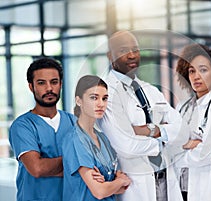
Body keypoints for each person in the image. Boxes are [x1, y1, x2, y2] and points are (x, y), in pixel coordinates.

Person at [96, 30, 187, 201]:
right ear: (110, 56)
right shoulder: (107, 94)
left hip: (165, 177)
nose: (131, 55)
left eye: (135, 50)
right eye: (123, 51)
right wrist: (164, 141)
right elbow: (125, 144)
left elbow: (183, 130)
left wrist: (150, 130)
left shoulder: (150, 90)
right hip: (136, 184)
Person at [9, 57, 76, 201]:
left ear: (61, 84)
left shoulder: (74, 122)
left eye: (54, 82)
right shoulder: (22, 126)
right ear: (31, 86)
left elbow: (91, 163)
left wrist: (52, 166)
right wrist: (75, 162)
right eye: (41, 83)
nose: (49, 88)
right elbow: (37, 169)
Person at [175, 43, 211, 201]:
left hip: (206, 186)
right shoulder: (182, 107)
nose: (196, 76)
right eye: (192, 71)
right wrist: (189, 144)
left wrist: (177, 155)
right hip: (181, 186)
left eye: (203, 70)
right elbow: (170, 143)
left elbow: (207, 153)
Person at [62, 75, 131, 201]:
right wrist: (119, 181)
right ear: (79, 101)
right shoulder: (74, 139)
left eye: (104, 98)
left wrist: (111, 183)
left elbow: (120, 188)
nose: (101, 104)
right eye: (94, 98)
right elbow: (99, 192)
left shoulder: (103, 138)